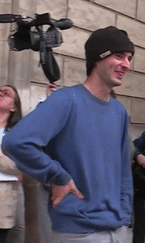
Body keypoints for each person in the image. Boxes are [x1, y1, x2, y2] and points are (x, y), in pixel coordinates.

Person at [2, 26, 135, 242]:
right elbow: (15, 142)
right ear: (97, 59)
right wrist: (58, 176)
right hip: (78, 232)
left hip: (117, 230)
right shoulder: (66, 100)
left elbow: (123, 171)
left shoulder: (119, 111)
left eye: (129, 58)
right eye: (119, 56)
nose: (126, 64)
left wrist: (125, 213)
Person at [0, 85, 23, 243]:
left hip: (5, 191)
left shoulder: (17, 134)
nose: (1, 94)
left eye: (6, 93)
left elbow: (19, 165)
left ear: (13, 107)